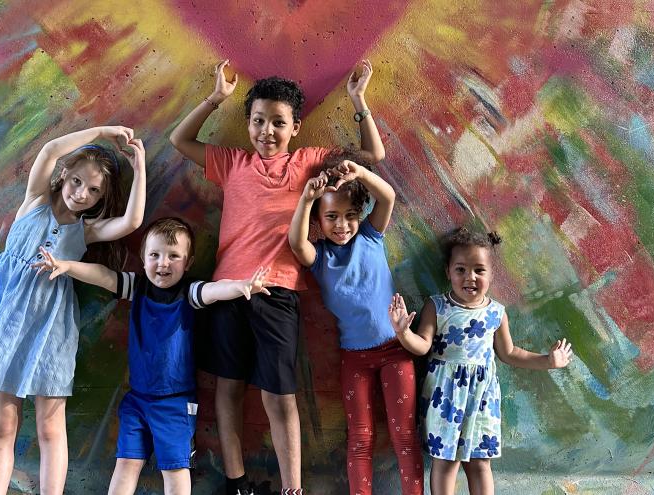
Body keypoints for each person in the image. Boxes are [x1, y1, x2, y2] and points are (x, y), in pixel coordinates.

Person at [169, 58, 385, 495]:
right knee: (227, 389)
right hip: (227, 291)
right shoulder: (232, 163)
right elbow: (179, 139)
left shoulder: (310, 162)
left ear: (296, 128)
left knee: (279, 395)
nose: (267, 131)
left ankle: (291, 488)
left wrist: (359, 102)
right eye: (258, 121)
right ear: (248, 124)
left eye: (278, 123)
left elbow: (374, 156)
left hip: (279, 293)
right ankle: (236, 482)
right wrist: (215, 99)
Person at [0, 126, 146, 495]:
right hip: (8, 319)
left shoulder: (86, 229)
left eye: (94, 191)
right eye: (77, 182)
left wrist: (140, 168)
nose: (82, 194)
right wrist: (104, 131)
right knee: (4, 422)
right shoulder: (34, 202)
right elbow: (49, 150)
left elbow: (132, 222)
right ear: (64, 175)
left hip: (52, 325)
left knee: (50, 425)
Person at [33, 217, 271, 495]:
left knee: (175, 469)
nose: (163, 263)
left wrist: (240, 286)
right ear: (143, 258)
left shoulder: (188, 292)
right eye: (155, 255)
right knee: (126, 464)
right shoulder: (138, 287)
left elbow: (212, 291)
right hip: (137, 400)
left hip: (175, 402)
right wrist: (66, 266)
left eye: (174, 256)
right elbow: (104, 275)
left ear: (189, 262)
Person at [388, 228, 574, 495]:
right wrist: (403, 332)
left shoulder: (496, 313)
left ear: (491, 274)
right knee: (446, 461)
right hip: (446, 397)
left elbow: (509, 353)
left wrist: (548, 360)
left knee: (479, 462)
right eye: (461, 269)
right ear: (448, 272)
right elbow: (422, 346)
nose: (470, 277)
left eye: (479, 270)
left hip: (482, 399)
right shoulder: (437, 306)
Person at [288, 149, 423, 494]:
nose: (342, 225)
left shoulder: (370, 236)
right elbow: (296, 243)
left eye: (350, 215)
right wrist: (306, 200)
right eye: (331, 216)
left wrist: (359, 173)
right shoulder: (320, 258)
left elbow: (388, 195)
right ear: (319, 218)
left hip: (396, 349)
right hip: (355, 358)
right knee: (360, 437)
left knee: (405, 436)